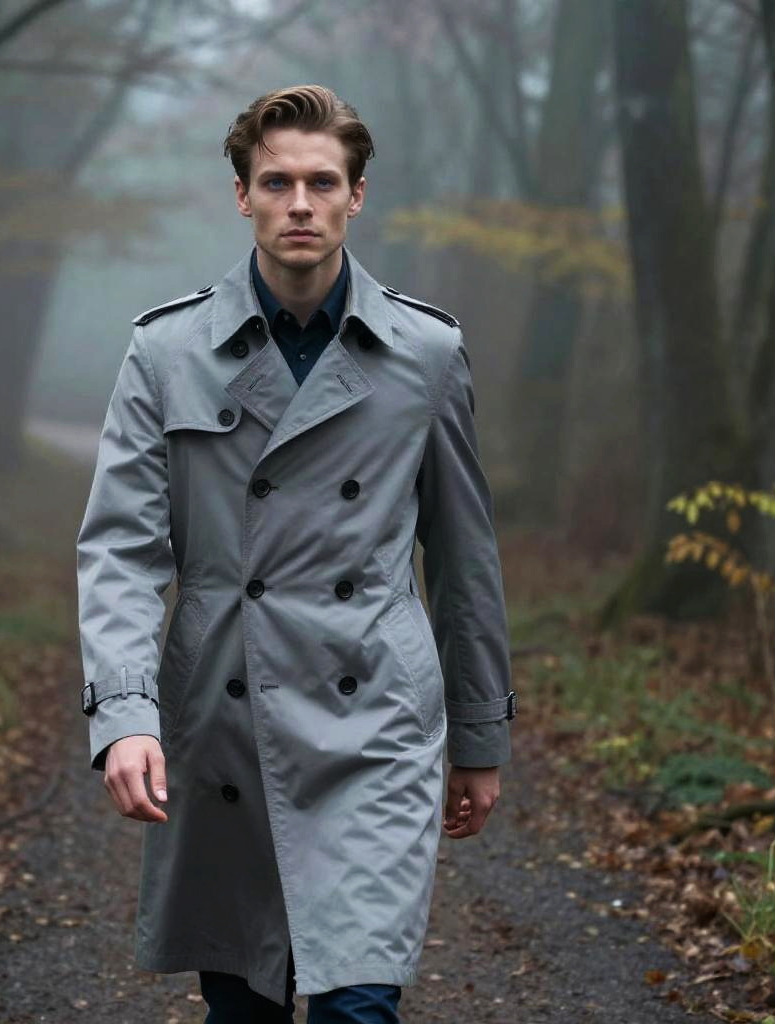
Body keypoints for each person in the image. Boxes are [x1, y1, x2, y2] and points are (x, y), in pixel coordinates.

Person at [76, 84, 517, 1024]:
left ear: (358, 194)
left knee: (360, 1003)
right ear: (242, 195)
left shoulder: (426, 354)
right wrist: (124, 714)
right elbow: (120, 548)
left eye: (323, 182)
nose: (301, 204)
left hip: (376, 724)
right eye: (277, 183)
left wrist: (479, 737)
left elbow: (465, 559)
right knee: (245, 1007)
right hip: (226, 713)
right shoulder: (167, 352)